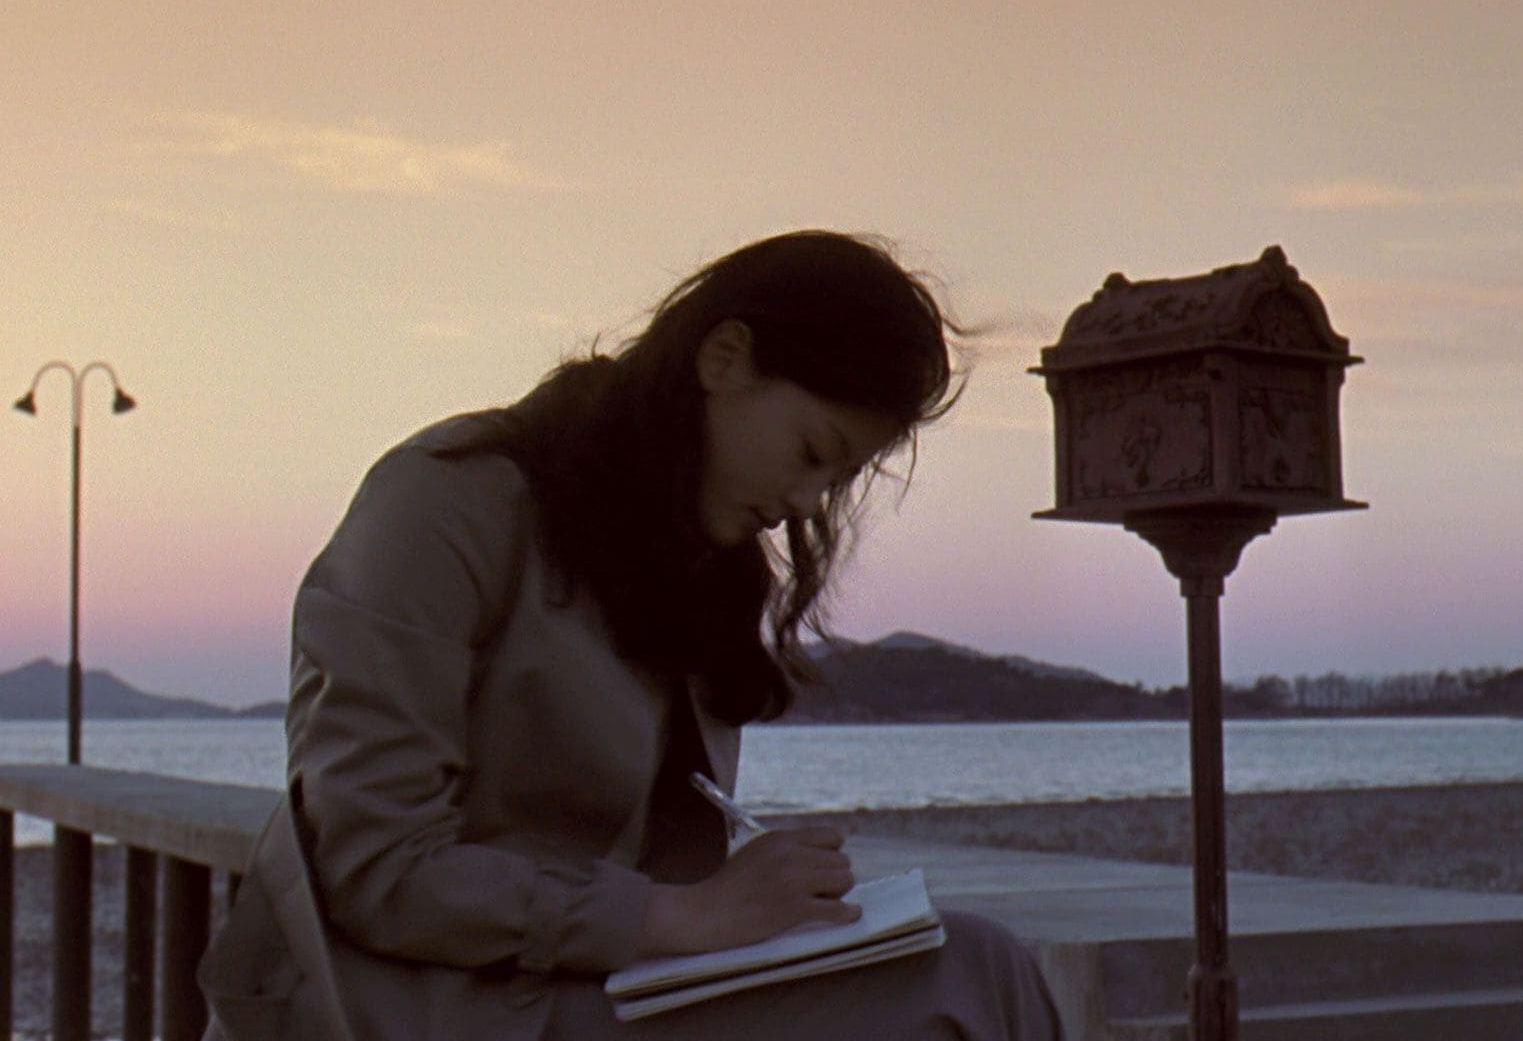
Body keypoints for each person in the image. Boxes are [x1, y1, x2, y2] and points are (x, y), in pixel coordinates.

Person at [199, 231, 1062, 1040]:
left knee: (974, 961)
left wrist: (764, 910)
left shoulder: (693, 560)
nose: (808, 503)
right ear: (725, 359)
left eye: (838, 479)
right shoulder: (446, 502)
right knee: (967, 979)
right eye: (811, 452)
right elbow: (375, 866)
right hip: (409, 1004)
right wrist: (678, 914)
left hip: (585, 986)